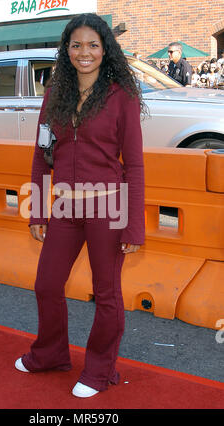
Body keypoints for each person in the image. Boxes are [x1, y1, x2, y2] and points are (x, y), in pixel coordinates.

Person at [15, 13, 146, 398]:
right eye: (76, 45)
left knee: (107, 293)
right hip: (62, 209)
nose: (83, 52)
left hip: (108, 208)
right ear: (66, 49)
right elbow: (42, 155)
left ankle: (99, 370)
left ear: (106, 49)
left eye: (92, 45)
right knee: (47, 284)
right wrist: (39, 208)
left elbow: (135, 165)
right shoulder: (56, 92)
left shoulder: (122, 96)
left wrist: (133, 224)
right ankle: (50, 354)